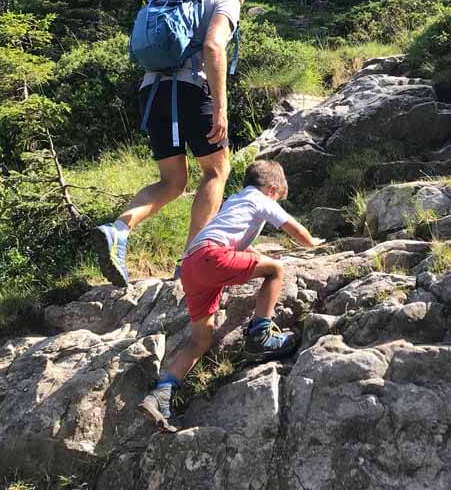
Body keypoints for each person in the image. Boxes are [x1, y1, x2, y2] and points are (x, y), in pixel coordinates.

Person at [93, 0, 255, 287]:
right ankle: (194, 261)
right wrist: (221, 108)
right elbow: (213, 46)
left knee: (172, 182)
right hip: (191, 90)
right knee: (216, 170)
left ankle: (118, 230)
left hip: (153, 90)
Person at [138, 159, 324, 432]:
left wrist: (247, 254)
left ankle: (161, 393)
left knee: (200, 340)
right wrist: (314, 244)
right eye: (280, 197)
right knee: (275, 270)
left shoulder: (235, 200)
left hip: (191, 264)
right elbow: (295, 230)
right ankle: (261, 334)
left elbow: (229, 236)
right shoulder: (261, 199)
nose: (279, 202)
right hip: (212, 257)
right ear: (272, 190)